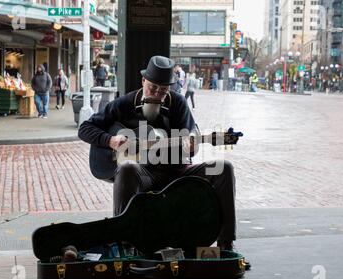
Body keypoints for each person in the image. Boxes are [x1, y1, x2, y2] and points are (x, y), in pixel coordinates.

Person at [79, 56, 237, 251]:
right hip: (144, 175)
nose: (156, 94)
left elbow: (191, 134)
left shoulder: (177, 103)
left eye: (162, 91)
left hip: (175, 173)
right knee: (127, 167)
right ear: (143, 81)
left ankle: (226, 242)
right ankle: (124, 244)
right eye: (152, 88)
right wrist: (110, 140)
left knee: (223, 169)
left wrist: (192, 144)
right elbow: (85, 128)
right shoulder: (124, 104)